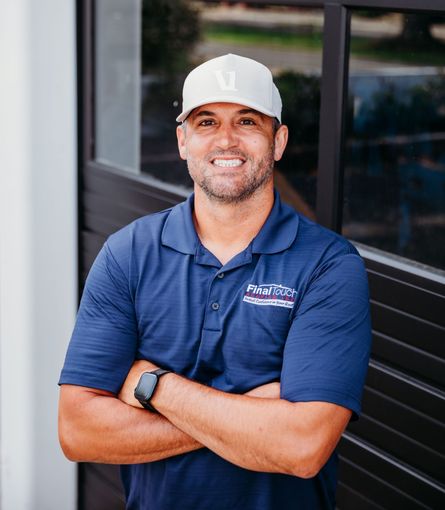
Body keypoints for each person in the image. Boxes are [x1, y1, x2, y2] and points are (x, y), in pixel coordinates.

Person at [58, 53, 371, 509]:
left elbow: (302, 448)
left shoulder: (329, 265)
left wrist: (153, 387)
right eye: (206, 122)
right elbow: (78, 432)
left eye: (247, 121)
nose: (226, 140)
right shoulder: (129, 253)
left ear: (278, 141)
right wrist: (254, 419)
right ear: (183, 141)